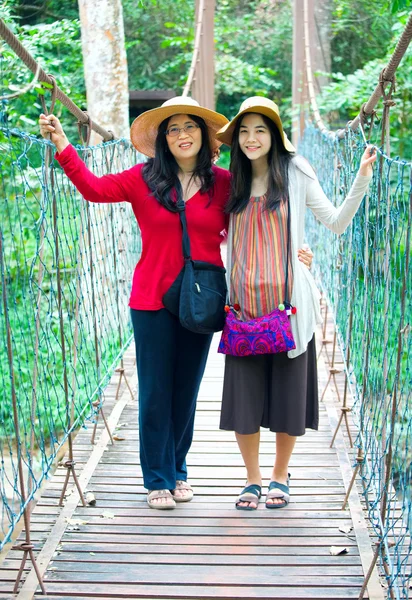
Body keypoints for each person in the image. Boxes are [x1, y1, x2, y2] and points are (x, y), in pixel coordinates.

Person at [39, 96, 314, 510]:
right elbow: (94, 190)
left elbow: (261, 218)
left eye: (190, 126)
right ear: (163, 140)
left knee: (185, 390)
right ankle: (157, 480)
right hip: (151, 299)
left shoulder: (224, 182)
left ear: (204, 136)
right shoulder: (141, 179)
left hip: (203, 299)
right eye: (173, 129)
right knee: (155, 391)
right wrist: (63, 145)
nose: (182, 135)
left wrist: (297, 250)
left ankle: (179, 471)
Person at [215, 97, 376, 510]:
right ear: (236, 139)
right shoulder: (227, 182)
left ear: (275, 135)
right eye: (244, 132)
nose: (252, 139)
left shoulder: (296, 171)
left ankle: (279, 477)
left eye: (260, 130)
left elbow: (336, 223)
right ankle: (251, 480)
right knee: (243, 401)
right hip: (243, 310)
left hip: (291, 310)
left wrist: (361, 178)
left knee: (288, 399)